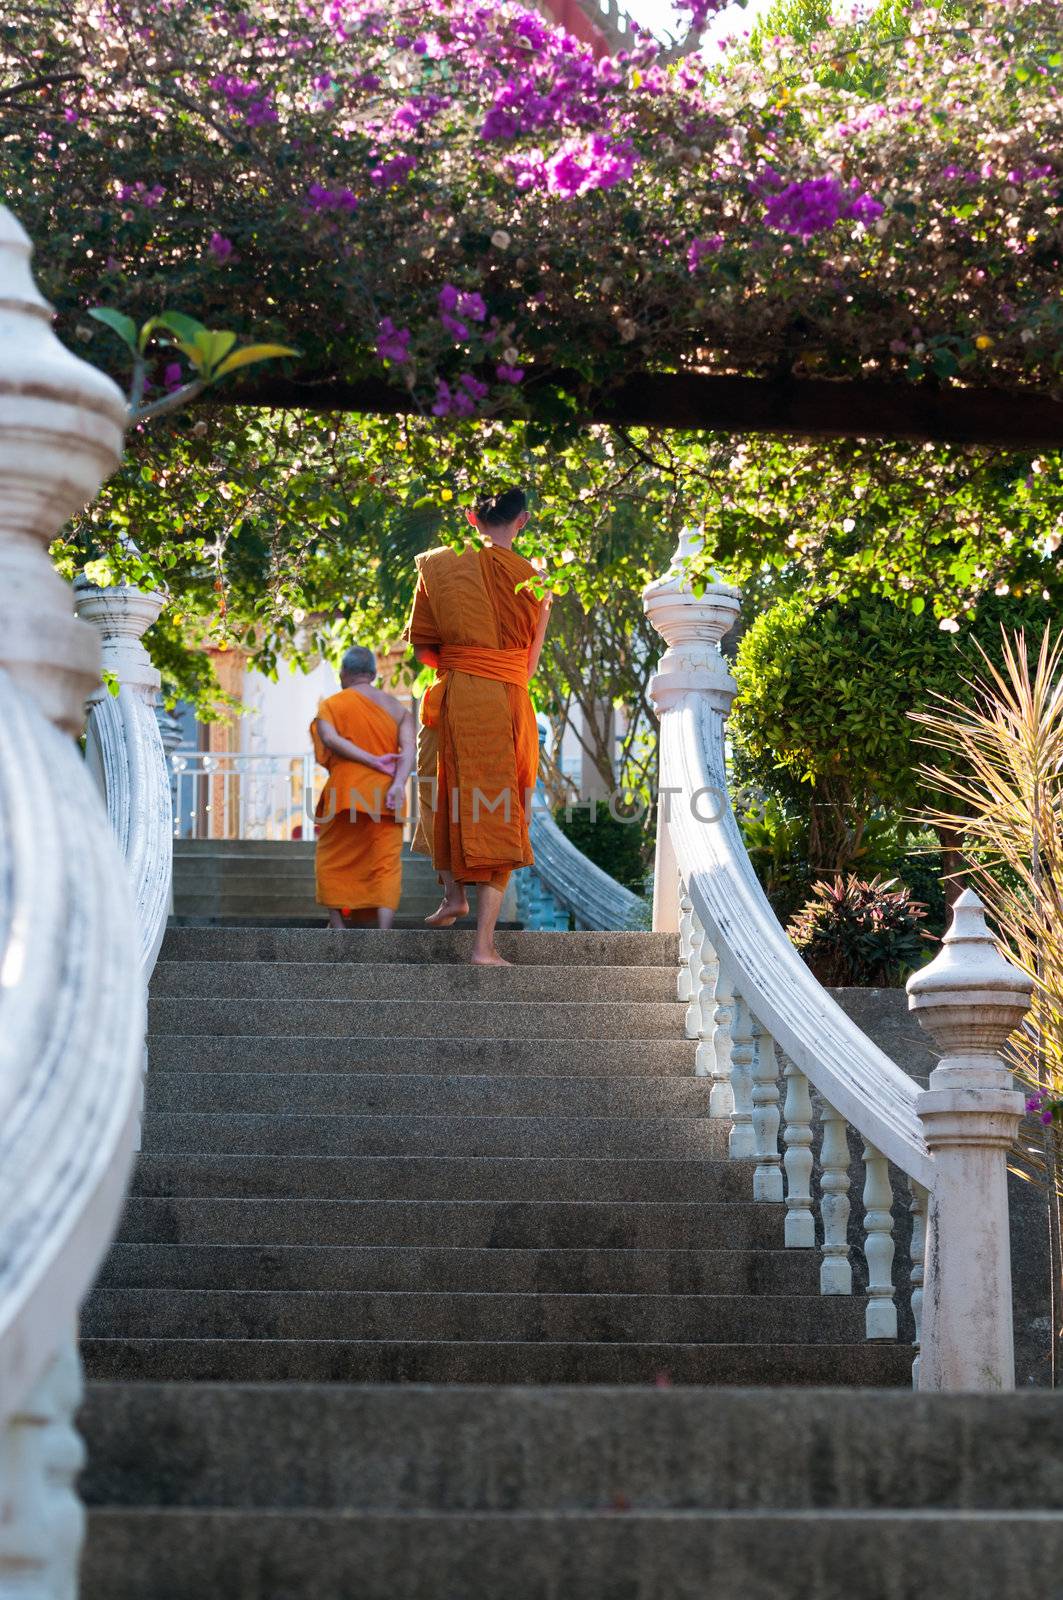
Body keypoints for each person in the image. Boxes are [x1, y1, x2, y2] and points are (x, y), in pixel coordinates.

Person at [404, 487, 552, 965]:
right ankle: (482, 946)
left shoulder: (437, 565)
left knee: (440, 790)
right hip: (506, 702)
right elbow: (528, 667)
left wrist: (463, 661)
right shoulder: (534, 580)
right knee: (501, 811)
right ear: (523, 521)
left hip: (453, 695)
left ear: (471, 517)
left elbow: (423, 647)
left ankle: (452, 895)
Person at [310, 644, 415, 930]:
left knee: (333, 858)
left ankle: (338, 927)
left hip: (345, 792)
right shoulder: (397, 709)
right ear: (372, 674)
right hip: (386, 795)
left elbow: (330, 739)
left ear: (345, 673)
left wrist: (370, 760)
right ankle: (383, 932)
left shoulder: (332, 705)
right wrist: (398, 784)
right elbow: (408, 751)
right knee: (385, 862)